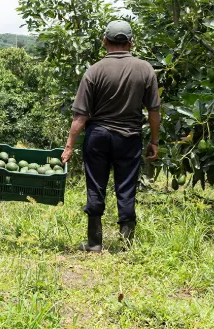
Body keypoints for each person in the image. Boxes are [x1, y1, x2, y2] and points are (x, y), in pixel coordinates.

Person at [62, 20, 161, 252]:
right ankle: (126, 245)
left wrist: (69, 146)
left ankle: (95, 243)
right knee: (126, 187)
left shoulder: (93, 71)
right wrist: (154, 141)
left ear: (105, 41)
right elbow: (154, 112)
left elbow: (80, 116)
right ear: (131, 42)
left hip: (98, 136)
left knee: (95, 186)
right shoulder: (145, 69)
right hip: (129, 137)